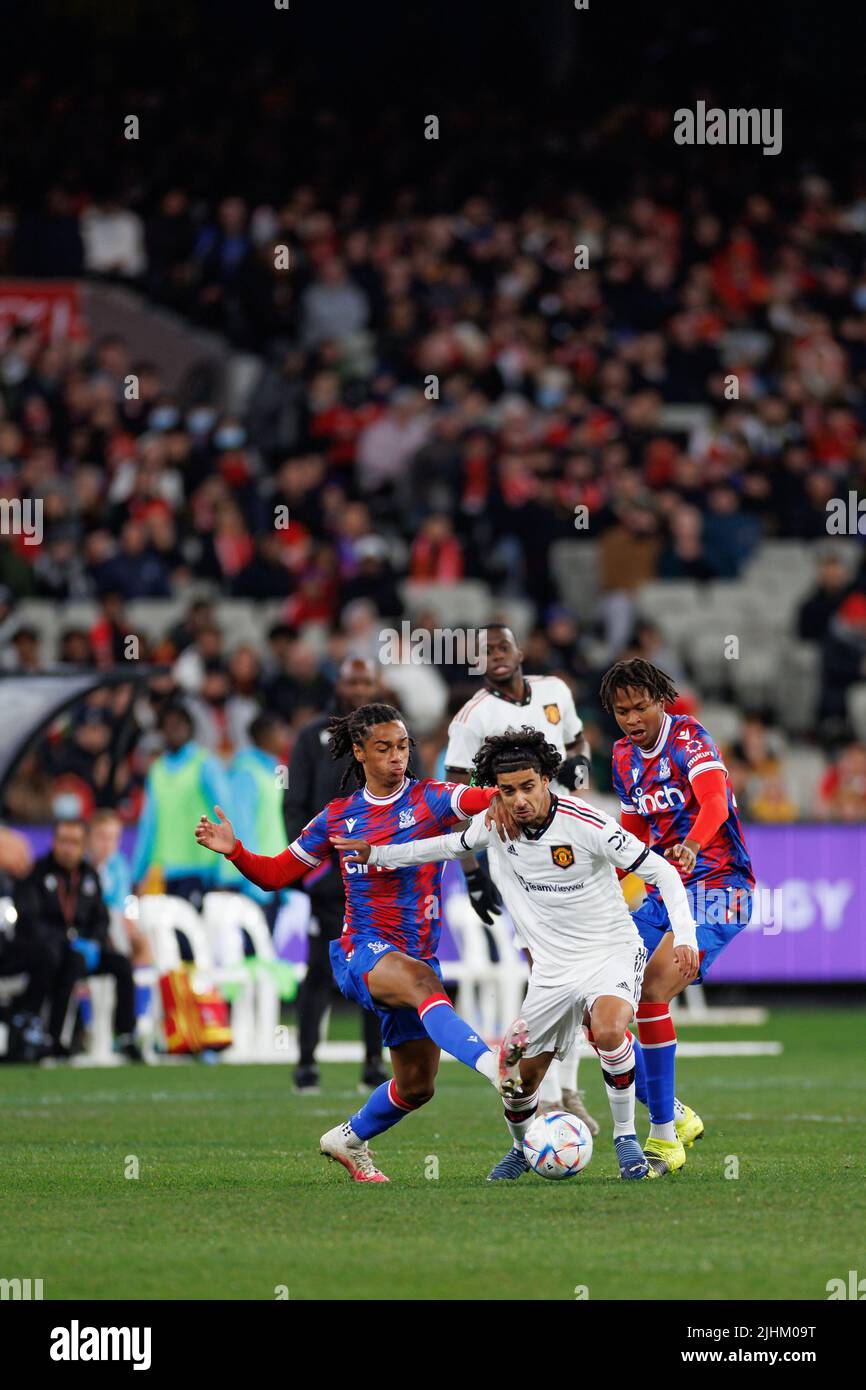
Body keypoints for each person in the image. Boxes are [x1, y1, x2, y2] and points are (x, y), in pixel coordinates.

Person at [334, 727, 700, 1181]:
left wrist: (685, 936)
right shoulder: (496, 824)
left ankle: (626, 1141)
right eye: (507, 791)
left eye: (528, 786)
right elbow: (444, 846)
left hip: (610, 951)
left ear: (547, 778)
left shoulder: (588, 823)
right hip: (552, 970)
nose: (519, 799)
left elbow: (662, 870)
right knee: (516, 1080)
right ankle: (523, 1148)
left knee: (607, 1030)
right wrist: (377, 854)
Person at [194, 701, 528, 1183]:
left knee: (417, 1087)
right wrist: (236, 851)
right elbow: (275, 875)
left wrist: (505, 795)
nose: (397, 756)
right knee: (421, 979)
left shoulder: (431, 799)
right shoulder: (338, 817)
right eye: (384, 748)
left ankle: (347, 1138)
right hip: (361, 952)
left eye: (404, 746)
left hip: (415, 955)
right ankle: (496, 1069)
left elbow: (475, 799)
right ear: (359, 752)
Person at [601, 658, 755, 1176]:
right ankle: (676, 1114)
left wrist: (689, 846)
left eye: (640, 707)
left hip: (719, 886)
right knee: (599, 1004)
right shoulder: (622, 756)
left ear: (661, 700)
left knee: (653, 987)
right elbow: (630, 829)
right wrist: (607, 880)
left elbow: (713, 803)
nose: (631, 719)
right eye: (622, 711)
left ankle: (664, 1137)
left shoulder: (690, 739)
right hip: (660, 892)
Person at [444, 623, 597, 1133]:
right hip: (515, 853)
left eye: (502, 647)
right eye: (485, 652)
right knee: (549, 965)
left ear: (520, 651)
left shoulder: (555, 692)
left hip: (574, 840)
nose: (495, 656)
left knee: (582, 965)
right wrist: (472, 870)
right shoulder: (473, 717)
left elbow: (577, 741)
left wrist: (580, 766)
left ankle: (567, 1087)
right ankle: (550, 1096)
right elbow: (452, 795)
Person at [284, 659, 388, 1093]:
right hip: (328, 880)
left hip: (378, 876)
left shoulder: (391, 735)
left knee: (376, 968)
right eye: (352, 681)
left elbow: (410, 799)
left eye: (366, 681)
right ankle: (306, 1062)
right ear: (339, 683)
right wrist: (311, 869)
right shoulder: (312, 737)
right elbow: (293, 806)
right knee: (319, 970)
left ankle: (373, 1062)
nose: (359, 688)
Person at [13, 818, 142, 1060]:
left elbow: (100, 918)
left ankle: (126, 1034)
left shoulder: (88, 875)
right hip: (50, 952)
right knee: (67, 962)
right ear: (54, 842)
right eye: (63, 841)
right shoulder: (38, 874)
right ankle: (54, 1038)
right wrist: (64, 940)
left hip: (83, 948)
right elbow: (29, 918)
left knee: (123, 964)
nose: (68, 848)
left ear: (83, 845)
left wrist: (93, 941)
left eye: (74, 842)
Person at [131, 702, 232, 908]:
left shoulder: (205, 764)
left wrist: (226, 871)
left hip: (201, 869)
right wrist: (137, 873)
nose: (173, 729)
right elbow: (148, 824)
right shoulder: (157, 770)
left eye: (179, 724)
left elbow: (226, 815)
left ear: (190, 728)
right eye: (168, 725)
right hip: (165, 872)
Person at [223, 711, 291, 929]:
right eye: (280, 730)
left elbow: (285, 813)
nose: (285, 735)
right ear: (265, 736)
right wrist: (253, 875)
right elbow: (243, 825)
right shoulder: (245, 772)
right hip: (254, 877)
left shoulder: (281, 769)